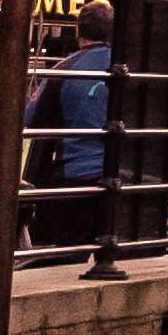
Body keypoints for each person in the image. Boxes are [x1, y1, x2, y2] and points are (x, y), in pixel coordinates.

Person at [25, 24, 113, 250]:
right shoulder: (128, 67)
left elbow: (29, 118)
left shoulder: (65, 68)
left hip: (77, 173)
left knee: (68, 251)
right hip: (122, 177)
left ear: (77, 32)